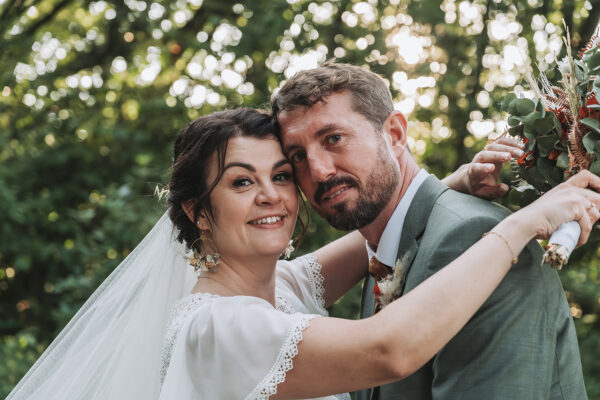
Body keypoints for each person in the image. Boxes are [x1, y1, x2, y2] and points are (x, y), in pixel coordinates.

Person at [7, 108, 599, 400]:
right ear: (197, 212)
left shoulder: (277, 287)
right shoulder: (218, 326)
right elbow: (389, 349)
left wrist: (455, 185)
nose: (272, 196)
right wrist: (522, 225)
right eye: (241, 183)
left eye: (281, 176)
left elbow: (375, 236)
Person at [271, 62, 592, 399]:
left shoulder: (476, 239)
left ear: (394, 134)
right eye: (297, 156)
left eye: (333, 138)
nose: (318, 171)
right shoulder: (382, 251)